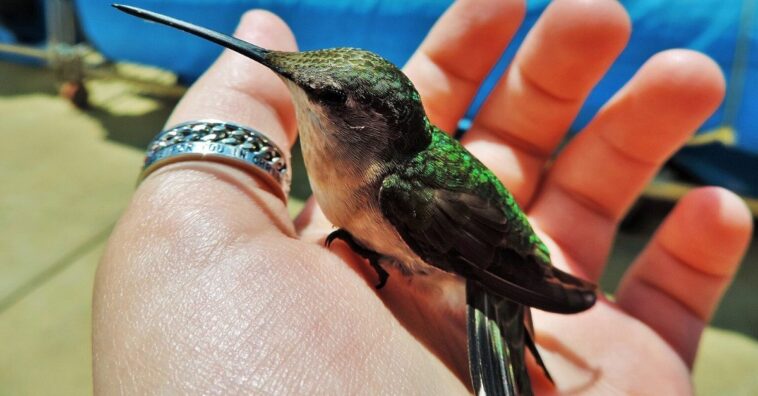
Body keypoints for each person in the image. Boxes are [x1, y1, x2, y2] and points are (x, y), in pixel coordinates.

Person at [92, 0, 752, 393]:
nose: (305, 90)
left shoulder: (399, 187)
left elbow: (459, 254)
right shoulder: (364, 164)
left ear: (368, 125)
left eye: (326, 96)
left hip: (482, 273)